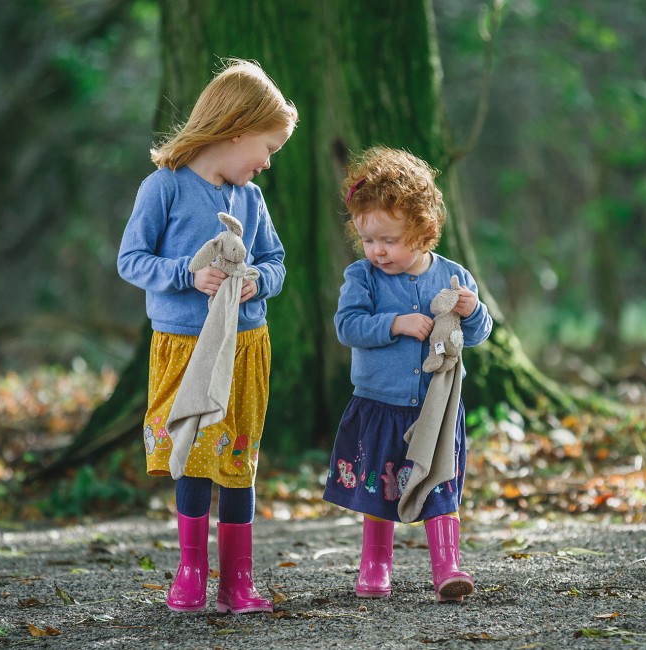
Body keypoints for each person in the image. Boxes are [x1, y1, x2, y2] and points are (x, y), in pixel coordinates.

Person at [117, 59, 297, 614]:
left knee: (237, 459)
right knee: (190, 454)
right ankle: (191, 574)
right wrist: (186, 275)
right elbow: (131, 259)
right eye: (267, 148)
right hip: (183, 347)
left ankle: (236, 583)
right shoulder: (164, 188)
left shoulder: (253, 201)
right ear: (236, 129)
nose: (268, 163)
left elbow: (277, 262)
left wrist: (257, 282)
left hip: (244, 347)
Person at [323, 146, 493, 602]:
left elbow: (477, 334)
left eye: (389, 240)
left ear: (422, 229)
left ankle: (448, 566)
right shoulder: (363, 277)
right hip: (381, 404)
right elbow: (347, 326)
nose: (377, 251)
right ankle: (375, 566)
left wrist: (472, 310)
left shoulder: (454, 278)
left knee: (440, 485)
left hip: (435, 410)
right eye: (368, 240)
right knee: (379, 485)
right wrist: (394, 324)